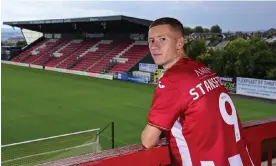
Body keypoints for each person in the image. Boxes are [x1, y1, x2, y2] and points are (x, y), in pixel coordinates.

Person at [141, 17, 254, 166]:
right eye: (151, 40)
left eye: (162, 39)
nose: (154, 46)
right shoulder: (201, 68)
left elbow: (148, 141)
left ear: (179, 43)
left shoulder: (173, 79)